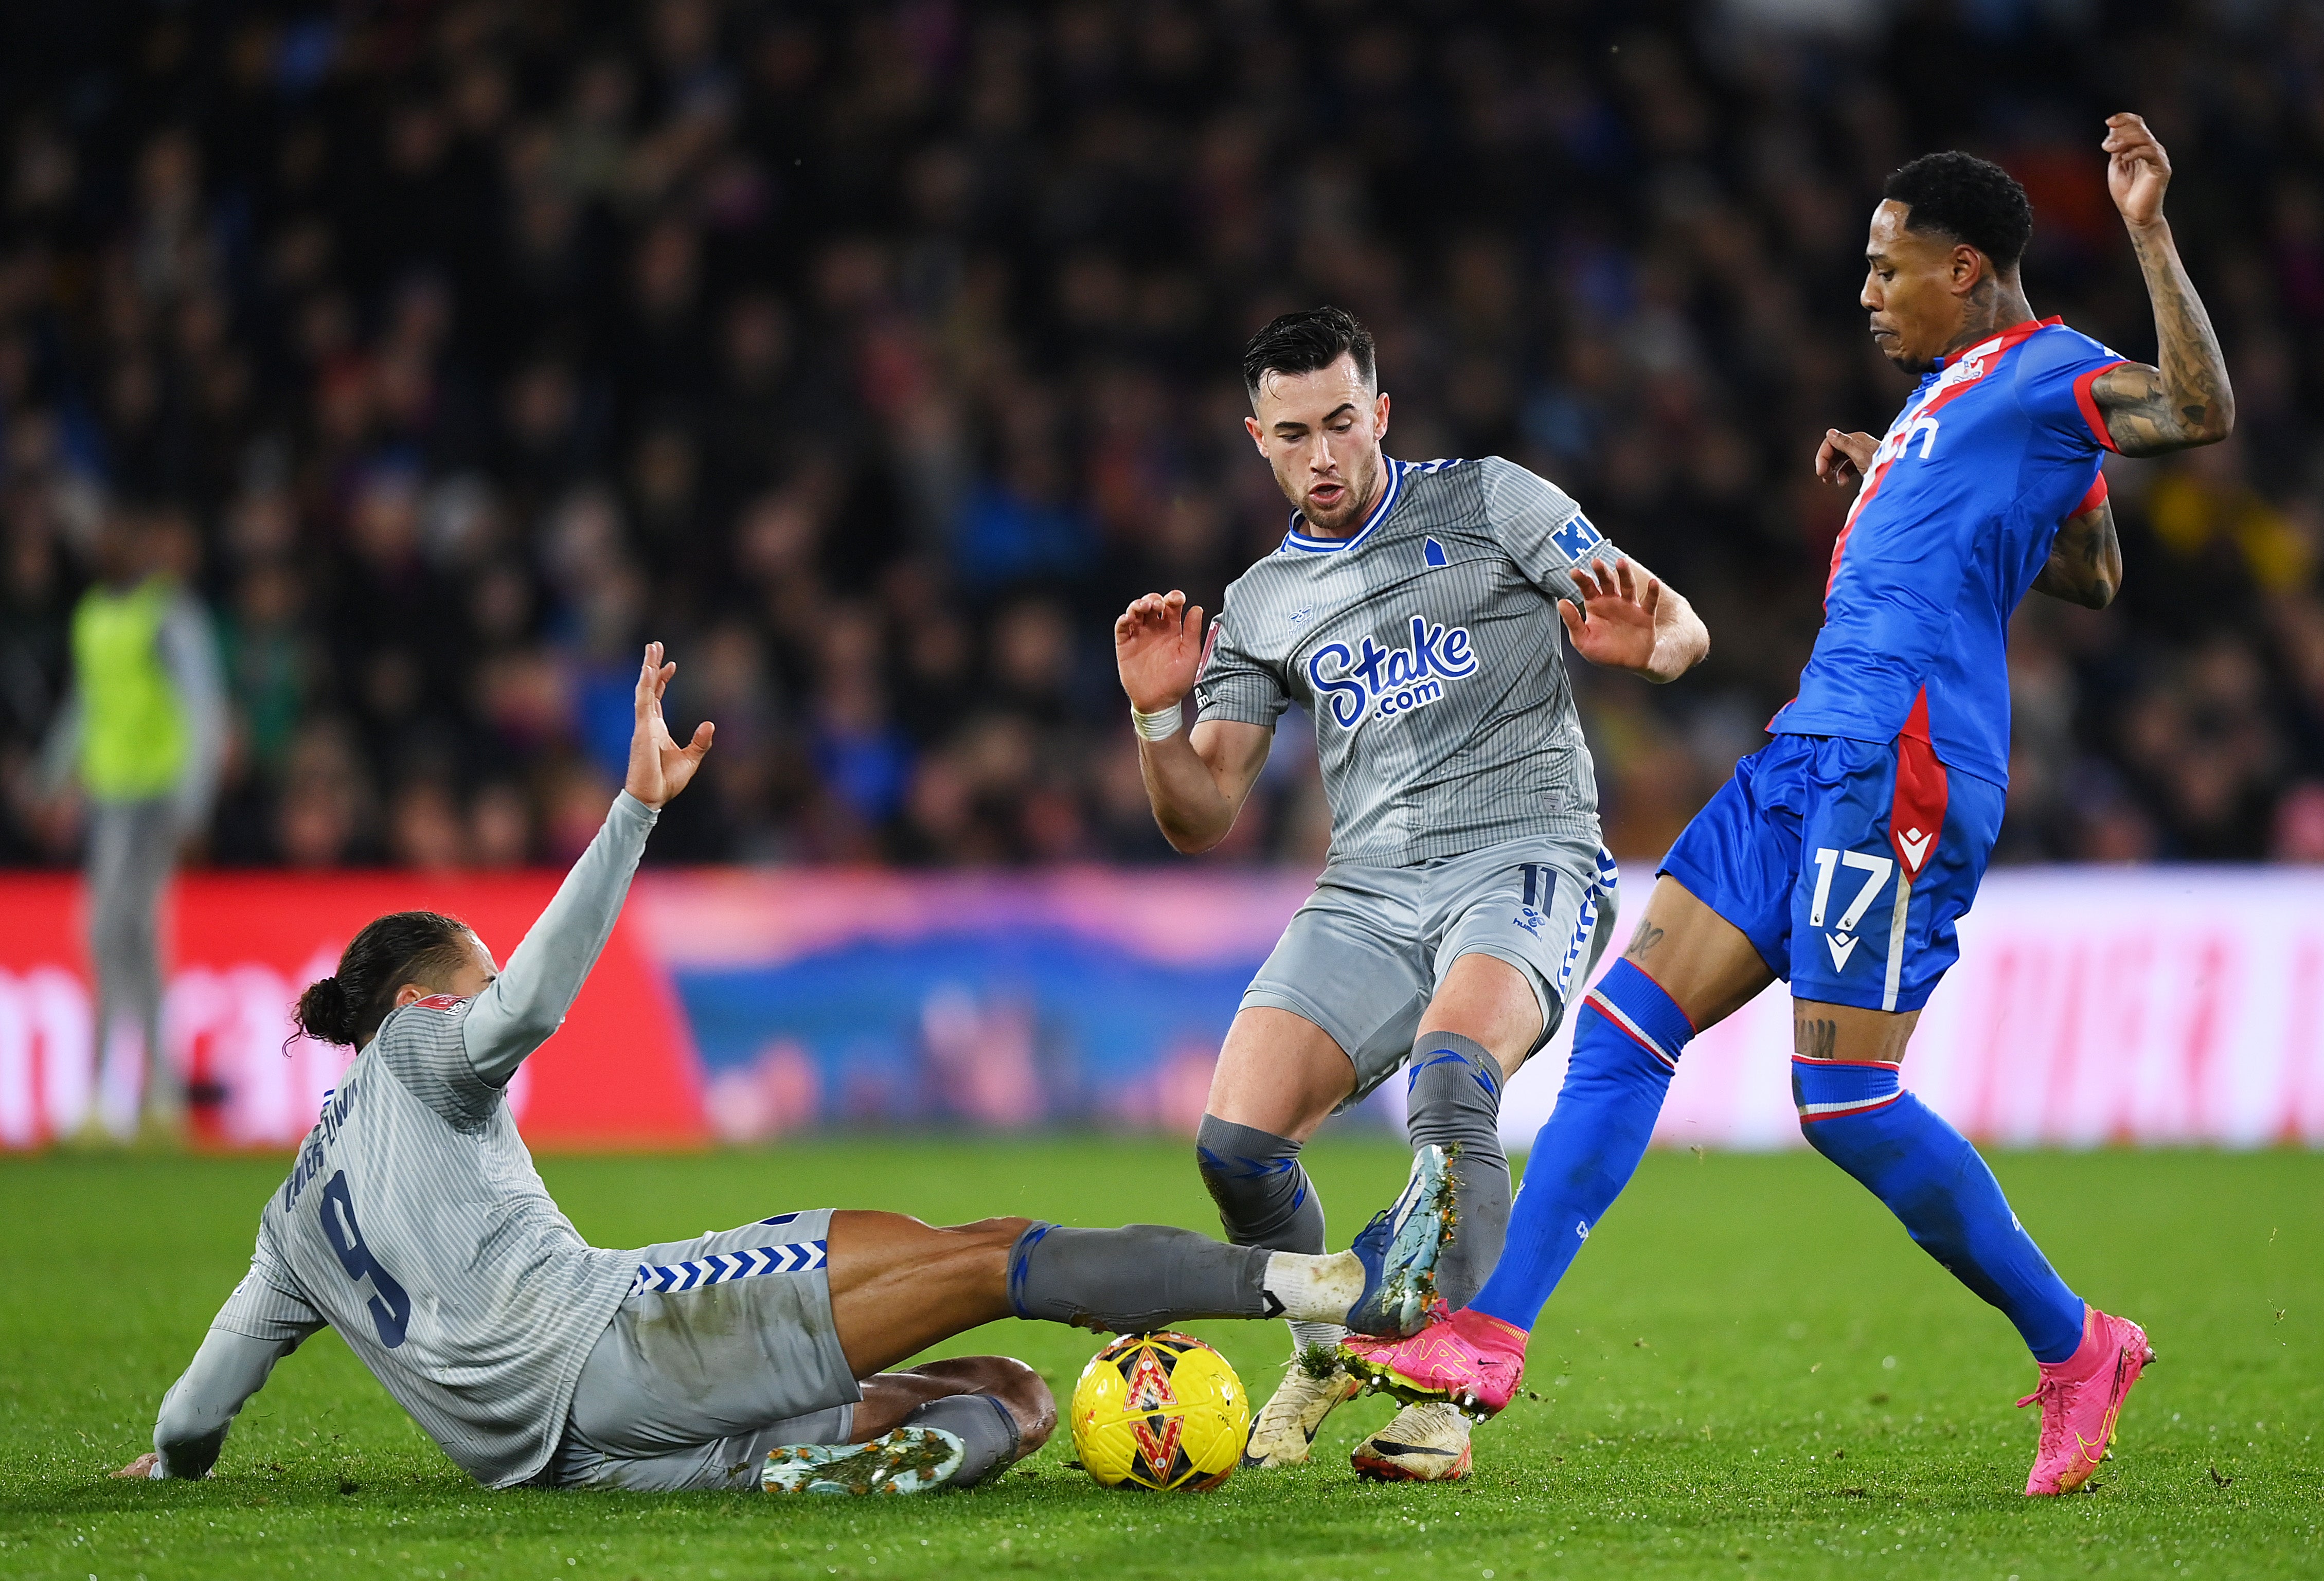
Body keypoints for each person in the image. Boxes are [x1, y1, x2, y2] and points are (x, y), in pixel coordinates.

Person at [1346, 116, 2233, 1499]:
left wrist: (2146, 228)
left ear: (1968, 267)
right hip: (1809, 745)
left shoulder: (2051, 363)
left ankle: (2080, 1344)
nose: (1865, 293)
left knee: (1845, 1099)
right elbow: (2090, 566)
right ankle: (1487, 1336)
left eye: (1888, 271)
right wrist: (1905, 461)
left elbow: (2197, 409)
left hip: (1908, 763)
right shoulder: (1958, 399)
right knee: (1630, 1021)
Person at [114, 645, 1456, 1495]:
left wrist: (167, 1459)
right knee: (992, 1247)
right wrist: (636, 810)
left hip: (570, 1467)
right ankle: (1310, 1278)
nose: (482, 992)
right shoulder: (423, 1044)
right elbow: (524, 1002)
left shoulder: (293, 1216)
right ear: (419, 997)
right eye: (469, 966)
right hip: (623, 1338)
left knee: (1007, 1391)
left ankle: (819, 1466)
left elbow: (199, 1400)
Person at [1113, 308, 1710, 1480]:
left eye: (1344, 422)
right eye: (1295, 434)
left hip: (1527, 856)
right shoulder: (1264, 599)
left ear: (1380, 411)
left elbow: (1679, 620)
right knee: (1236, 1145)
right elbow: (1202, 810)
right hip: (1371, 891)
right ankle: (1327, 1350)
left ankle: (1443, 1391)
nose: (1324, 455)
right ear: (1258, 440)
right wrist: (1155, 717)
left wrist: (1661, 650)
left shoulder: (1491, 499)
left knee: (1454, 1078)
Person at [39, 506, 227, 1143]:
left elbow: (202, 710)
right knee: (131, 939)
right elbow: (87, 706)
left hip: (151, 801)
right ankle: (157, 1095)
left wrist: (193, 804)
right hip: (110, 799)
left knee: (108, 932)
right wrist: (52, 777)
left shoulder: (166, 615)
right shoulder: (95, 618)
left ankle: (112, 1093)